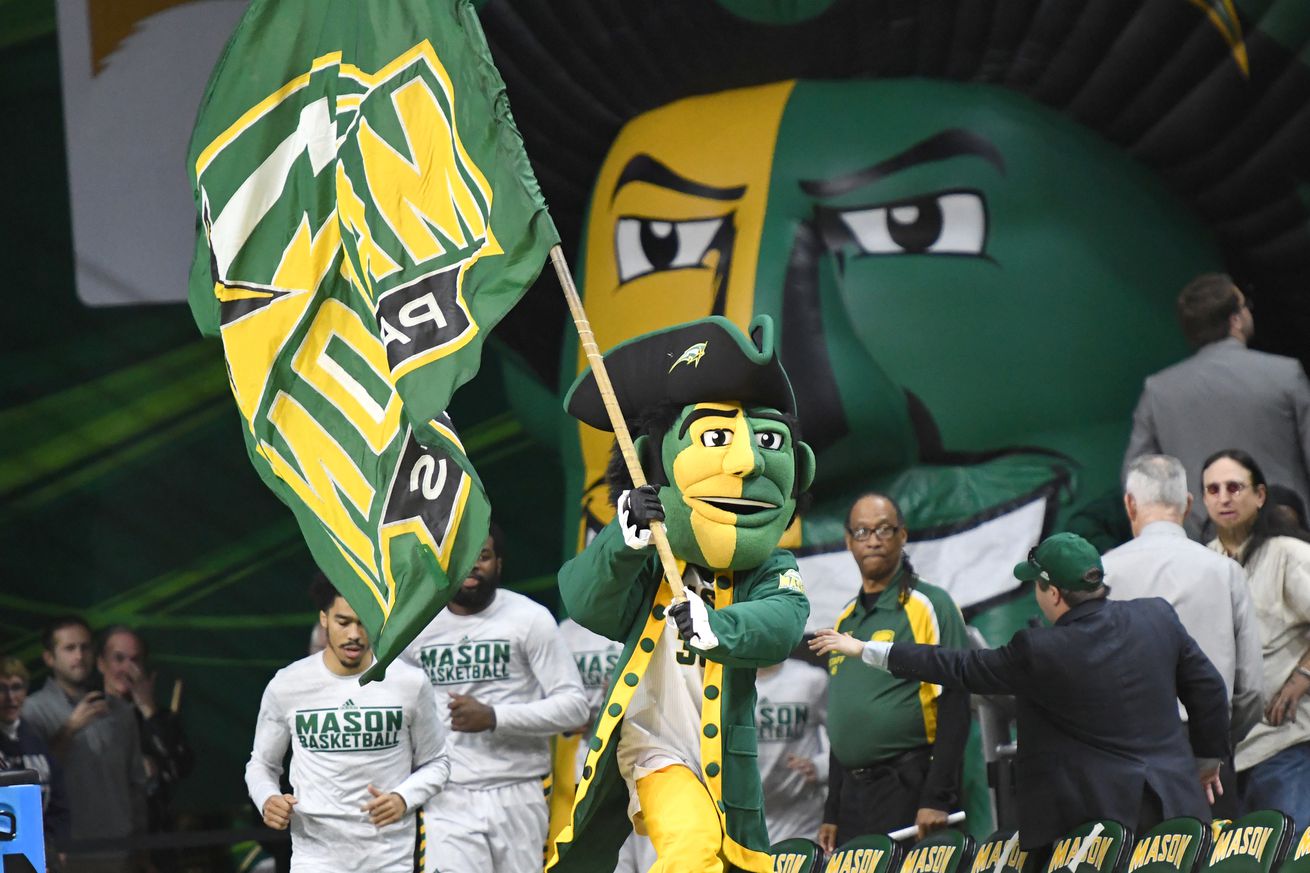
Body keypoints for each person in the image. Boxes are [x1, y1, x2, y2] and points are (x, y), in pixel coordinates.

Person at [548, 315, 814, 873]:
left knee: (734, 863)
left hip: (726, 762)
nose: (745, 462)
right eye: (716, 438)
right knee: (691, 849)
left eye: (767, 442)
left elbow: (784, 620)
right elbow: (584, 599)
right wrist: (623, 540)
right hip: (652, 745)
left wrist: (718, 625)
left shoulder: (771, 566)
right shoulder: (647, 554)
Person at [812, 532, 1230, 850]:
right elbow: (1209, 689)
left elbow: (957, 666)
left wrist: (866, 649)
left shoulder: (1041, 649)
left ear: (1053, 592)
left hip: (1099, 832)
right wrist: (1208, 759)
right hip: (1178, 809)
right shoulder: (1156, 615)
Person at [401, 523, 589, 873]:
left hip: (519, 790)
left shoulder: (529, 618)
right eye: (461, 558)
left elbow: (574, 707)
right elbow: (398, 709)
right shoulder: (415, 627)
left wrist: (494, 717)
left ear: (499, 563)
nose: (472, 565)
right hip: (448, 794)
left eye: (483, 556)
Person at [245, 577, 448, 873]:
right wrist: (268, 799)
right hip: (315, 857)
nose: (354, 634)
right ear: (324, 618)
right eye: (343, 622)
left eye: (363, 622)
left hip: (389, 858)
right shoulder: (288, 684)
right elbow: (261, 764)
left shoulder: (408, 682)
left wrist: (405, 798)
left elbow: (438, 762)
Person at [1104, 454, 1265, 816]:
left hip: (1126, 759)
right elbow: (1252, 689)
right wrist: (1216, 745)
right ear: (1189, 504)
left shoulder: (1102, 573)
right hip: (1208, 761)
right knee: (1216, 862)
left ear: (1131, 504)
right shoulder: (1225, 572)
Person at [817, 493, 971, 853]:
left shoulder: (929, 604)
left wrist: (937, 795)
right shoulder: (845, 619)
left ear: (902, 536)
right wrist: (832, 810)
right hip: (853, 798)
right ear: (848, 541)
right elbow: (845, 717)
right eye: (862, 531)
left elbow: (956, 700)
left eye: (884, 529)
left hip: (909, 786)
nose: (873, 539)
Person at [1124, 273, 1310, 536]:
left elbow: (1137, 479)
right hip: (1287, 534)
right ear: (1235, 320)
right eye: (1245, 306)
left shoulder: (1158, 391)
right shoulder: (1286, 374)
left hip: (1203, 542)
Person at [1201, 449, 1310, 826]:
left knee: (1293, 858)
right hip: (1222, 758)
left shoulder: (1288, 554)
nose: (1224, 497)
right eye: (1212, 489)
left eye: (1234, 487)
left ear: (1260, 495)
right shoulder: (1202, 563)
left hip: (1287, 745)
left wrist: (1304, 675)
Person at [24, 616, 147, 872]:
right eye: (69, 648)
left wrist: (140, 846)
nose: (79, 656)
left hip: (120, 849)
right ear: (49, 658)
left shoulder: (122, 712)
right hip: (65, 852)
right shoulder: (31, 712)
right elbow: (32, 782)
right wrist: (69, 730)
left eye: (85, 647)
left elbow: (136, 783)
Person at [96, 626, 194, 837]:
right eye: (119, 659)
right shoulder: (89, 714)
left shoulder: (160, 719)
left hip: (155, 834)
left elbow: (181, 767)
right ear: (101, 664)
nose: (127, 668)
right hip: (105, 836)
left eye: (135, 660)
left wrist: (148, 709)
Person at [0, 657, 71, 855]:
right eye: (2, 689)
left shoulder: (36, 742)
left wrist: (55, 850)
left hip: (39, 853)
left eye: (16, 687)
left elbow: (59, 802)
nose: (10, 697)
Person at [755, 658, 829, 843]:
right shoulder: (726, 681)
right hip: (747, 815)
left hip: (802, 815)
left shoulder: (810, 679)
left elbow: (844, 736)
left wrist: (820, 767)